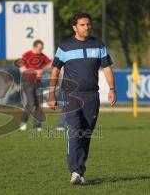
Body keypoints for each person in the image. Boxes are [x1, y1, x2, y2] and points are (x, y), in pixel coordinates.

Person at [47, 13, 117, 185]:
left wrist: (112, 89)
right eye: (83, 25)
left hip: (92, 96)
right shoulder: (65, 46)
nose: (87, 27)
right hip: (71, 95)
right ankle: (75, 172)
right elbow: (55, 70)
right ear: (75, 27)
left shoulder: (98, 44)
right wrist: (51, 94)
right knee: (75, 129)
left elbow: (107, 68)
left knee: (86, 133)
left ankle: (80, 171)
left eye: (88, 24)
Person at [19, 39, 51, 131]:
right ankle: (23, 122)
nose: (41, 51)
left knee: (39, 104)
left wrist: (43, 70)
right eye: (40, 49)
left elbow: (50, 63)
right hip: (27, 82)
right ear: (34, 47)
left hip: (38, 83)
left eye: (42, 49)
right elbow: (22, 70)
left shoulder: (42, 56)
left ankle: (37, 126)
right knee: (31, 103)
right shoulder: (26, 55)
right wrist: (35, 71)